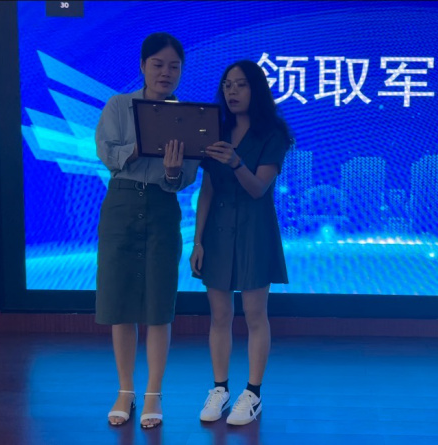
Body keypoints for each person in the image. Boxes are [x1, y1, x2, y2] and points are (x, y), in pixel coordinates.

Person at [95, 32, 200, 429]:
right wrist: (141, 145)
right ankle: (125, 390)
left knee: (158, 305)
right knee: (120, 303)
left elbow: (186, 176)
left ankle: (154, 393)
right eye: (157, 64)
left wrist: (172, 172)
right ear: (142, 66)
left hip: (161, 207)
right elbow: (107, 154)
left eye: (174, 66)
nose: (165, 73)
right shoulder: (119, 105)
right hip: (121, 205)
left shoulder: (189, 116)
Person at [190, 60, 293, 426]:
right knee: (219, 315)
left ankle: (253, 393)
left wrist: (236, 162)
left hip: (254, 231)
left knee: (254, 314)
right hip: (217, 231)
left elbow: (258, 188)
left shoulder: (273, 133)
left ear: (256, 89)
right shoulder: (214, 129)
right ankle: (219, 389)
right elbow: (207, 190)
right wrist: (197, 241)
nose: (232, 91)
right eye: (227, 85)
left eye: (241, 84)